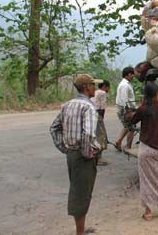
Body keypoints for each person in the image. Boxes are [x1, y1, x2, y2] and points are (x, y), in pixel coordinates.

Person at [50, 74, 101, 235]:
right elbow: (88, 134)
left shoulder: (68, 105)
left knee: (79, 189)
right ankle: (80, 232)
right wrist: (87, 153)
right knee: (81, 193)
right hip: (82, 155)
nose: (95, 88)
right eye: (93, 85)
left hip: (72, 154)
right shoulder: (88, 107)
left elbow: (54, 128)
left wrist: (65, 148)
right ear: (87, 87)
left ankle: (81, 228)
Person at [130, 81, 158, 220]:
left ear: (145, 95)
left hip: (145, 149)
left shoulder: (142, 109)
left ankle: (149, 211)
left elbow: (132, 121)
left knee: (146, 181)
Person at [115, 67, 137, 151]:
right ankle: (128, 146)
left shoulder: (125, 84)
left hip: (125, 109)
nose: (133, 76)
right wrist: (128, 111)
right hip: (125, 109)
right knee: (132, 128)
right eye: (132, 74)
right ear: (128, 74)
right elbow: (124, 99)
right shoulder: (125, 85)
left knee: (127, 126)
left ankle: (119, 141)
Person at [92, 80, 110, 165]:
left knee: (94, 135)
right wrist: (101, 118)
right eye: (108, 87)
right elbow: (102, 107)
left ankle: (94, 156)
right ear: (105, 86)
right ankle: (98, 157)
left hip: (91, 114)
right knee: (101, 136)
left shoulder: (94, 92)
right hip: (97, 114)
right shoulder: (103, 93)